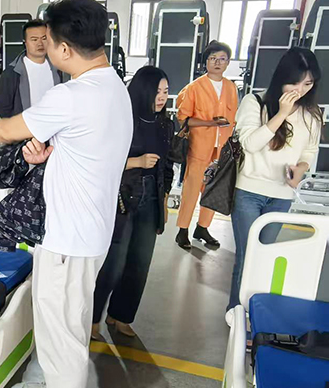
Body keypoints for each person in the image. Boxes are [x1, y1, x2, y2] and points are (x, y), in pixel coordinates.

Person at [0, 0, 133, 388]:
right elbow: (86, 150)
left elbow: (8, 129)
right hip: (89, 231)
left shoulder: (71, 95)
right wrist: (51, 157)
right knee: (68, 322)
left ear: (63, 48)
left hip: (68, 237)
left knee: (61, 331)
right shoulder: (113, 87)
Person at [228, 47, 322, 308]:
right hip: (248, 192)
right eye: (294, 82)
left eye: (307, 84)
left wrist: (301, 169)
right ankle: (237, 313)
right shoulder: (254, 102)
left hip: (281, 195)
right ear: (281, 78)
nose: (299, 90)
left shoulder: (311, 113)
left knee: (263, 256)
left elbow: (310, 150)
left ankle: (250, 313)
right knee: (248, 256)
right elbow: (250, 144)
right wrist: (281, 113)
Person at [92, 67, 173, 340]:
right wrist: (136, 162)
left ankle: (121, 316)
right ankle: (92, 318)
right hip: (123, 197)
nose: (161, 98)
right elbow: (101, 161)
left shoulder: (165, 124)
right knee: (114, 263)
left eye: (165, 92)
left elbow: (167, 166)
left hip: (151, 198)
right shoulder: (121, 120)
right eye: (156, 91)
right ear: (142, 90)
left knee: (140, 262)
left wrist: (164, 201)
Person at [175, 41, 238, 250]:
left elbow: (234, 118)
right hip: (199, 146)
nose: (217, 63)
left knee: (213, 188)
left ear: (228, 62)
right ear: (206, 62)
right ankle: (182, 229)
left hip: (221, 148)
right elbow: (184, 119)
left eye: (222, 59)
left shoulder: (231, 88)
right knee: (192, 188)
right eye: (213, 58)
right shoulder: (194, 88)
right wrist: (210, 123)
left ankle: (202, 227)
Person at [0, 19, 61, 118]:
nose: (40, 43)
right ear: (25, 42)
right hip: (25, 127)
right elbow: (3, 109)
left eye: (44, 38)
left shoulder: (60, 69)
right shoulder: (12, 74)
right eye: (34, 39)